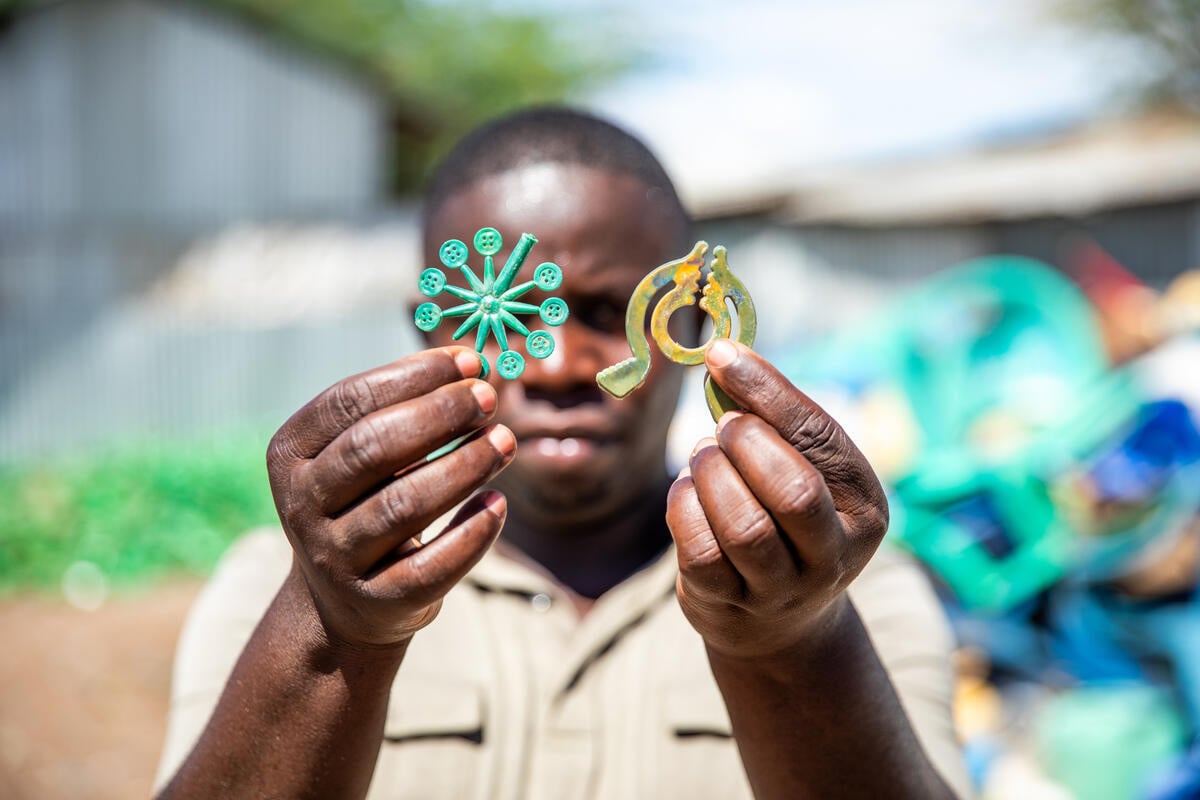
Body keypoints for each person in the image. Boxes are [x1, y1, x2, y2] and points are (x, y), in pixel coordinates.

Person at [155, 107, 969, 799]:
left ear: (693, 326)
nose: (557, 367)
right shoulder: (282, 583)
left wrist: (795, 642)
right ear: (429, 331)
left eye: (611, 310)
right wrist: (330, 625)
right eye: (510, 318)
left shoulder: (844, 591)